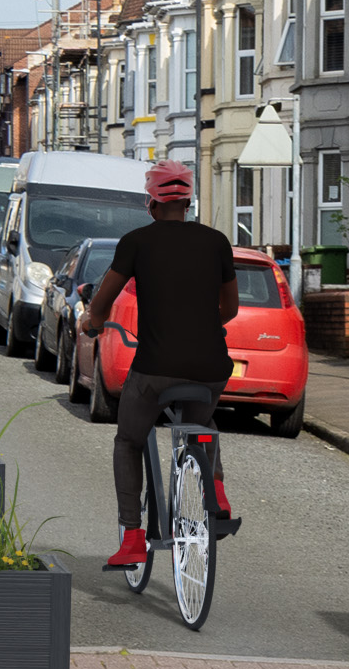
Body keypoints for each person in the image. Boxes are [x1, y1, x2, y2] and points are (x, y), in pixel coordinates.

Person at [81, 160, 238, 572]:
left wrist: (92, 323)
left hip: (155, 369)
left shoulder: (136, 242)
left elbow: (103, 301)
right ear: (188, 202)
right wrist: (200, 326)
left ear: (151, 203)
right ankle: (217, 492)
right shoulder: (217, 242)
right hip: (211, 366)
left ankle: (133, 536)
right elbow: (231, 307)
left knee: (129, 440)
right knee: (201, 421)